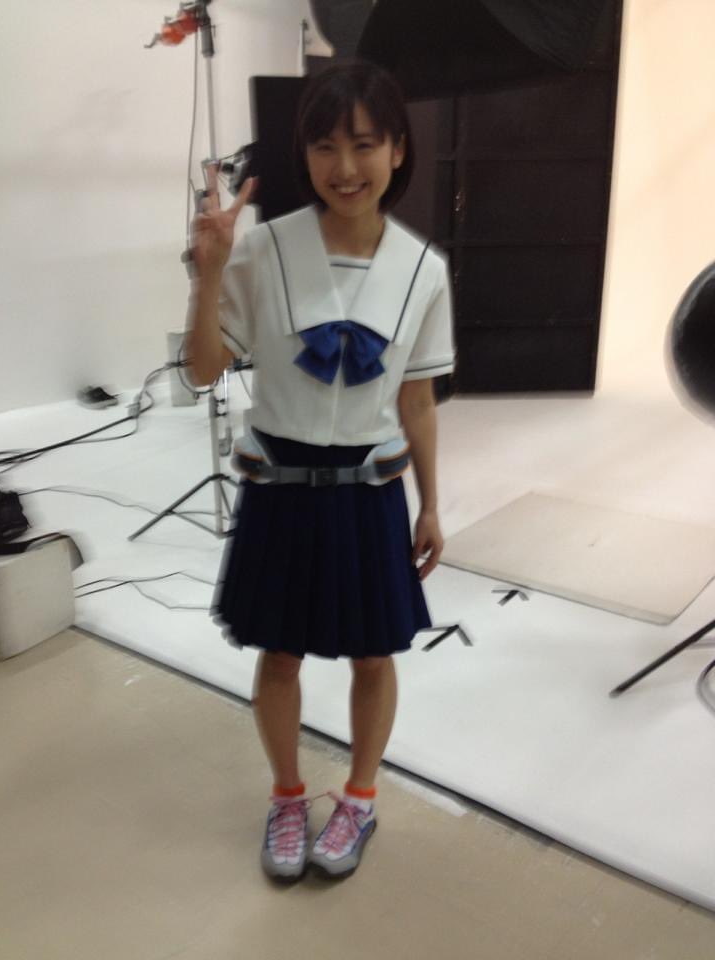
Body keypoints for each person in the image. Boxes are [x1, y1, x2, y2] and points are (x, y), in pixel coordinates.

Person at [186, 61, 456, 884]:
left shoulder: (423, 270)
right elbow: (203, 370)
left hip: (371, 492)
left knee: (374, 655)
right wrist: (208, 274)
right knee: (279, 654)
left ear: (398, 150)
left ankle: (361, 800)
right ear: (303, 154)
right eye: (326, 146)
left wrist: (431, 505)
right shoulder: (262, 249)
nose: (346, 167)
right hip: (280, 486)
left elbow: (417, 401)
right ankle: (287, 795)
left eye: (365, 145)